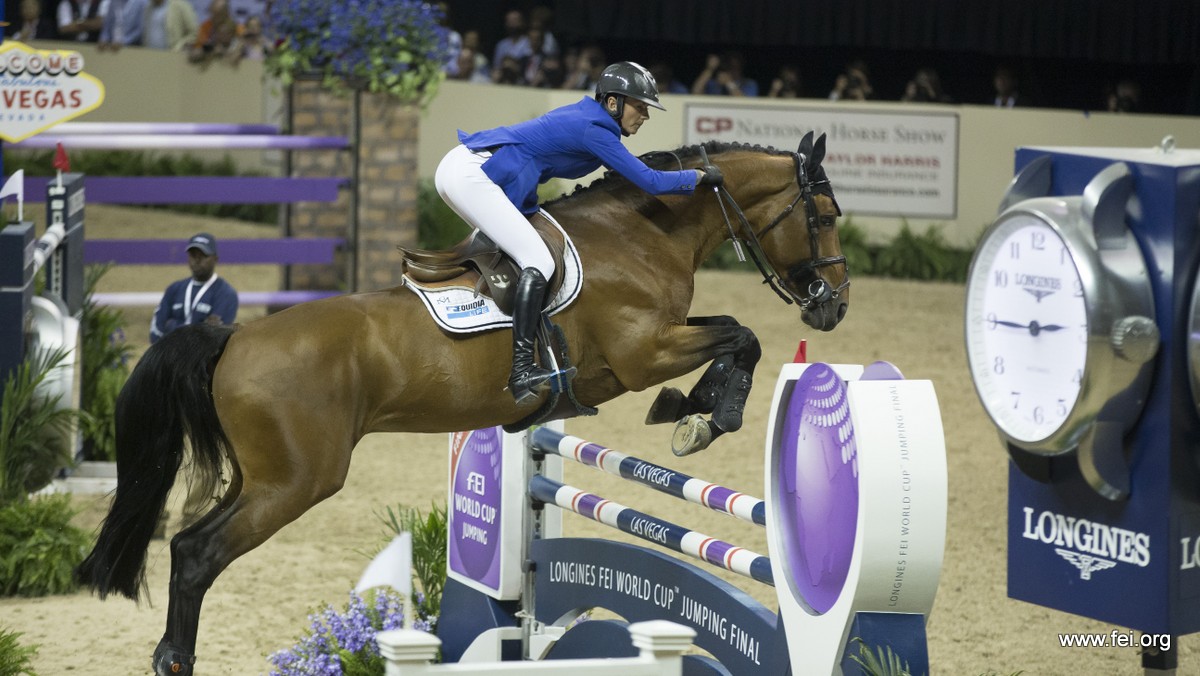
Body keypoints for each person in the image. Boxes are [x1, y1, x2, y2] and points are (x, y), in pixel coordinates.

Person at [434, 61, 724, 403]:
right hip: (472, 174)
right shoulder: (594, 129)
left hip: (466, 169)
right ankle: (523, 369)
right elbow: (650, 181)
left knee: (518, 252)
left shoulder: (593, 121)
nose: (644, 116)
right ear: (613, 102)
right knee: (538, 260)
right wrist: (699, 177)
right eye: (640, 106)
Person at [150, 233, 239, 344]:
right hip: (168, 359)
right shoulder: (174, 289)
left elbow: (213, 340)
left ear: (215, 259)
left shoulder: (226, 293)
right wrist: (200, 327)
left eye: (203, 255)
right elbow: (156, 333)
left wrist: (172, 326)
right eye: (193, 255)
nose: (197, 260)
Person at [691, 51, 758, 97]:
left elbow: (746, 103)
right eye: (728, 67)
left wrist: (729, 83)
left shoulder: (749, 83)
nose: (732, 71)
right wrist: (710, 69)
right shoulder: (714, 83)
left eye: (734, 67)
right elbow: (696, 92)